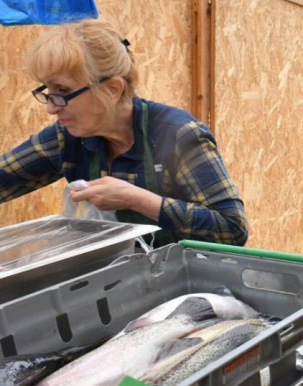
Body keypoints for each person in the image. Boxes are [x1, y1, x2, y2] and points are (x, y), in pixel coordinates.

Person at [0, 20, 248, 247]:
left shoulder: (178, 135)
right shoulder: (68, 136)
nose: (51, 108)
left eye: (63, 91)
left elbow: (232, 229)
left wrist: (138, 199)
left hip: (183, 282)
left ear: (112, 90)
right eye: (48, 90)